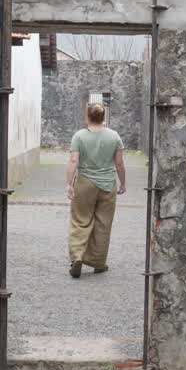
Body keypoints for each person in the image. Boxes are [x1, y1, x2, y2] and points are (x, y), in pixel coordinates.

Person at [66, 102, 127, 278]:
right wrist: (122, 183)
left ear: (87, 117)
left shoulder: (79, 136)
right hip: (108, 184)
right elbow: (120, 163)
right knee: (103, 223)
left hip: (85, 183)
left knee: (80, 220)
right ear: (104, 117)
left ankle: (77, 256)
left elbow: (73, 161)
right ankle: (99, 262)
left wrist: (69, 184)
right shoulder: (114, 136)